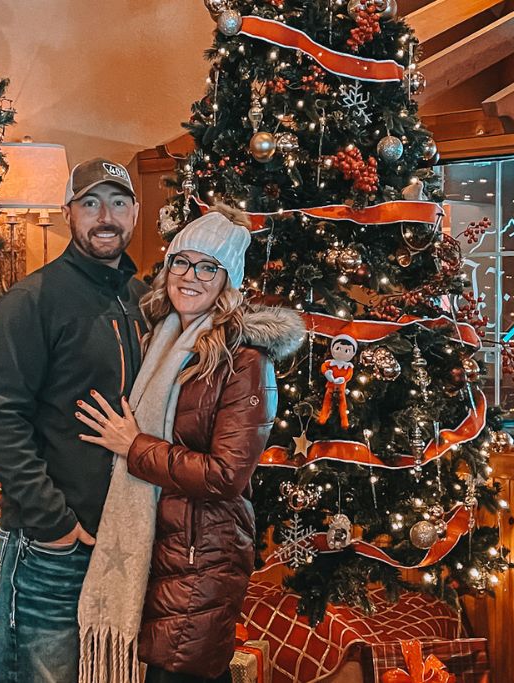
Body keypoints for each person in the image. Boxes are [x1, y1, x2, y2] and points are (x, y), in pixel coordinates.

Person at [75, 207, 305, 683]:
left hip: (202, 555)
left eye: (208, 267)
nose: (191, 276)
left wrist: (133, 445)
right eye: (182, 262)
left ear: (228, 281)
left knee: (178, 673)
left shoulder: (244, 359)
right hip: (162, 546)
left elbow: (226, 475)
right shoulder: (161, 337)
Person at [0, 158, 147, 683]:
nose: (105, 217)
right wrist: (54, 523)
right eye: (90, 203)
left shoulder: (144, 301)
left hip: (124, 537)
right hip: (56, 542)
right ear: (69, 213)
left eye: (118, 202)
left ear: (135, 213)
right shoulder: (32, 300)